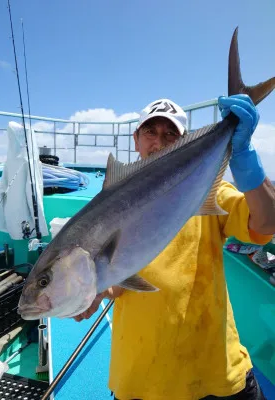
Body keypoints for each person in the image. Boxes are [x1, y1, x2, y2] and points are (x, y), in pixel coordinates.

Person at [74, 95, 275, 400]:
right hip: (142, 380)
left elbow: (266, 223)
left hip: (217, 372)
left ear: (183, 142)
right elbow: (118, 282)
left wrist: (246, 159)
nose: (159, 142)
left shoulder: (209, 190)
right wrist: (98, 288)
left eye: (171, 134)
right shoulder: (109, 206)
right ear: (136, 139)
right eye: (150, 132)